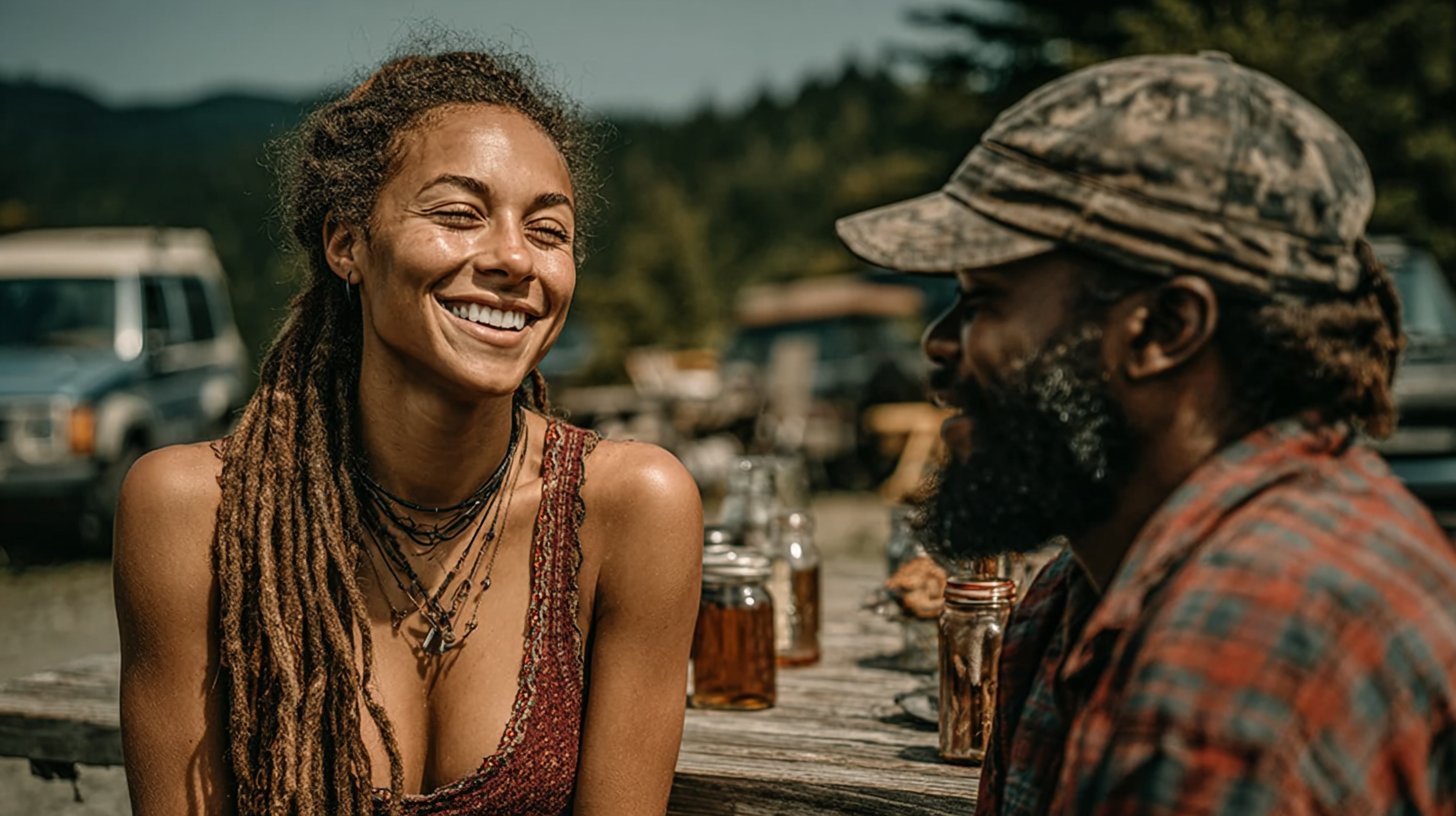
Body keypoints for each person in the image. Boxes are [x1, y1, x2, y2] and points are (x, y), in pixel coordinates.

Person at [837, 52, 1456, 814]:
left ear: (1164, 328)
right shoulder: (1077, 590)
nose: (939, 343)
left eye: (985, 300)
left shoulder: (1243, 648)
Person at [113, 48, 703, 815]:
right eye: (459, 214)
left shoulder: (633, 508)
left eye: (549, 230)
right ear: (346, 244)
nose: (515, 258)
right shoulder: (194, 512)